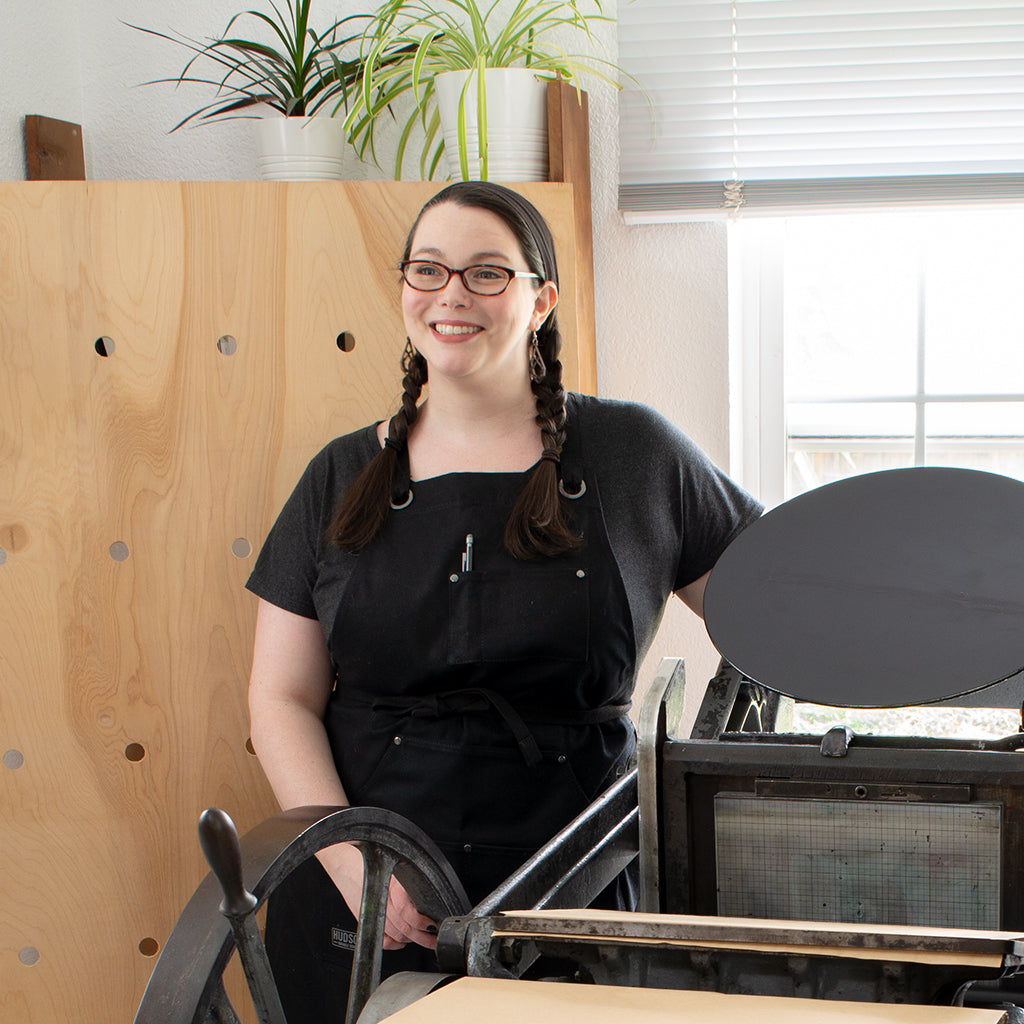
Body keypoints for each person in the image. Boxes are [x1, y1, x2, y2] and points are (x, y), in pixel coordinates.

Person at [245, 180, 762, 1020]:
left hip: (574, 888)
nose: (452, 294)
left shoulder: (634, 454)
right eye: (429, 270)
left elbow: (776, 608)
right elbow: (280, 698)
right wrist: (353, 866)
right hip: (364, 900)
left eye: (488, 273)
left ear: (541, 298)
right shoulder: (340, 475)